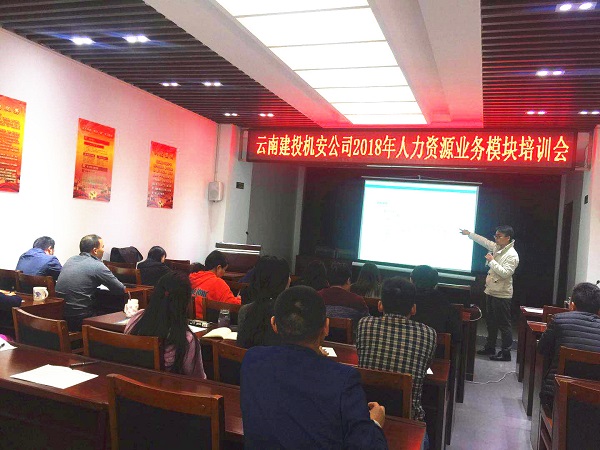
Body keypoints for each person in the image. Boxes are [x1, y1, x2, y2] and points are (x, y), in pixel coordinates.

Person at [241, 286, 388, 449]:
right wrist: (375, 423)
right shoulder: (344, 379)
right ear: (326, 326)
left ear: (274, 324)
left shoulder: (252, 359)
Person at [356, 277, 436, 442]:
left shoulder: (364, 324)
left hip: (365, 413)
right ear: (413, 309)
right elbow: (425, 366)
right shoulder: (428, 334)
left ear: (380, 305)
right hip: (408, 422)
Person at [125, 271, 206, 378]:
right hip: (168, 388)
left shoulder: (136, 319)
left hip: (131, 382)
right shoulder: (186, 340)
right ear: (186, 303)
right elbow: (198, 379)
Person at [538, 282, 600, 411]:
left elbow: (541, 349)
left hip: (556, 400)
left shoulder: (558, 320)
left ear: (572, 305)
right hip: (595, 407)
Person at [460, 226, 519, 361]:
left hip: (502, 294)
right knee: (490, 322)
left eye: (499, 236)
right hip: (491, 290)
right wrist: (469, 234)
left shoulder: (512, 255)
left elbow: (505, 273)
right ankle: (490, 347)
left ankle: (506, 353)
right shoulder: (498, 247)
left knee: (504, 325)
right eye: (495, 236)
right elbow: (484, 241)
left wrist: (492, 261)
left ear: (508, 238)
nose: (496, 238)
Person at [56, 234, 125, 331]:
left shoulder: (71, 260)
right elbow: (120, 289)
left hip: (62, 315)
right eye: (102, 247)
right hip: (81, 318)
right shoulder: (97, 265)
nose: (103, 250)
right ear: (95, 250)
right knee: (116, 312)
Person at [237, 256, 290, 348]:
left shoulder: (246, 310)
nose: (289, 279)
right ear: (281, 281)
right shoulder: (288, 313)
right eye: (287, 276)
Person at [410, 265, 462, 343]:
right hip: (438, 348)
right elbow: (456, 336)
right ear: (435, 284)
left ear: (411, 280)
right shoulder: (444, 302)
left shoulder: (404, 301)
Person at [189, 250, 240, 319]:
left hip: (189, 321)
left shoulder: (192, 278)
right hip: (207, 322)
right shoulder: (218, 283)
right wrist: (239, 299)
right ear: (219, 268)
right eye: (224, 270)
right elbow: (233, 306)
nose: (224, 273)